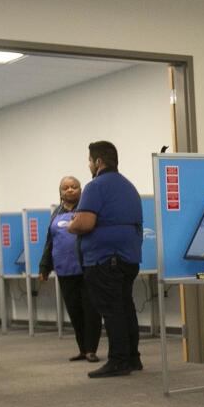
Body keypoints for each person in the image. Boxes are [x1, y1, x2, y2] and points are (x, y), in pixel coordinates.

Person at [68, 141, 144, 379]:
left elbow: (84, 223)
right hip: (128, 258)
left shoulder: (95, 186)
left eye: (90, 161)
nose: (89, 165)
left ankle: (119, 361)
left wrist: (70, 225)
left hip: (104, 260)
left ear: (98, 162)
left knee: (112, 311)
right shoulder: (129, 187)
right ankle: (132, 357)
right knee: (125, 307)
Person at [39, 176, 101, 363]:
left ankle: (91, 350)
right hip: (65, 271)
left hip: (87, 268)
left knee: (91, 311)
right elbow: (49, 243)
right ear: (61, 192)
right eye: (66, 187)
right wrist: (44, 267)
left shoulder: (87, 211)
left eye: (74, 187)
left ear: (80, 190)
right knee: (75, 312)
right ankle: (82, 349)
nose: (70, 190)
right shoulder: (55, 214)